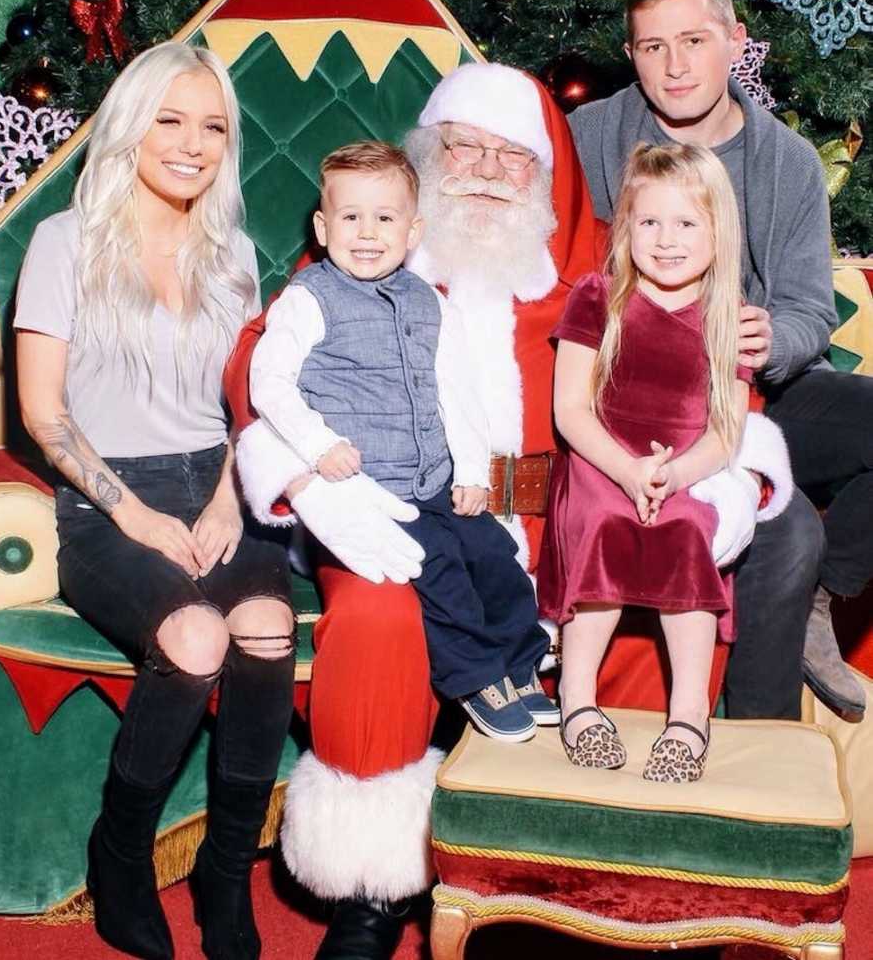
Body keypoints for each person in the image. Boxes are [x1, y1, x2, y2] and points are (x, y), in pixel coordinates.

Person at [226, 62, 789, 959]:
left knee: (646, 621)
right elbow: (258, 364)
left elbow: (703, 378)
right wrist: (315, 485)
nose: (486, 170)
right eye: (463, 149)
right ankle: (371, 885)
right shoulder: (367, 245)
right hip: (387, 505)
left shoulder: (608, 259)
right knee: (376, 615)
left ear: (547, 177)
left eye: (512, 157)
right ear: (425, 161)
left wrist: (714, 483)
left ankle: (605, 879)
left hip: (565, 510)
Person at [14, 41, 295, 960]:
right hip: (104, 501)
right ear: (132, 126)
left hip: (219, 483)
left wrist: (225, 505)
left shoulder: (234, 255)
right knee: (196, 636)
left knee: (263, 627)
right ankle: (121, 854)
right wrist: (131, 514)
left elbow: (247, 405)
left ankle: (225, 871)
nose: (192, 143)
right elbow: (43, 416)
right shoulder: (67, 242)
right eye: (170, 120)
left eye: (212, 125)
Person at [568, 0, 869, 721]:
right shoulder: (592, 136)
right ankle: (751, 736)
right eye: (652, 46)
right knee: (788, 527)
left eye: (694, 41)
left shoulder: (789, 163)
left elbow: (809, 307)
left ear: (735, 40)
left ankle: (822, 603)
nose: (675, 66)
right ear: (630, 54)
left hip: (757, 391)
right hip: (645, 400)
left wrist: (774, 336)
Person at [247, 141, 555, 742]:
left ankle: (523, 665)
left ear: (412, 229)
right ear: (322, 225)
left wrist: (469, 471)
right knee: (439, 572)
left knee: (496, 556)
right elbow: (268, 383)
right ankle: (475, 678)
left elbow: (456, 392)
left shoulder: (430, 303)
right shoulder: (309, 298)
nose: (367, 233)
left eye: (384, 218)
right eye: (350, 217)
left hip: (435, 477)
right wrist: (316, 446)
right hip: (370, 490)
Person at [540, 141, 755, 783]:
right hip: (601, 461)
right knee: (606, 524)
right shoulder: (597, 297)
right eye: (649, 222)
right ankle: (577, 697)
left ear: (719, 232)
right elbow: (570, 411)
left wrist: (676, 475)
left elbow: (727, 428)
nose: (666, 239)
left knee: (688, 529)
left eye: (687, 223)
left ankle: (689, 714)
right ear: (625, 226)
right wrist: (632, 472)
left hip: (687, 465)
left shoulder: (728, 318)